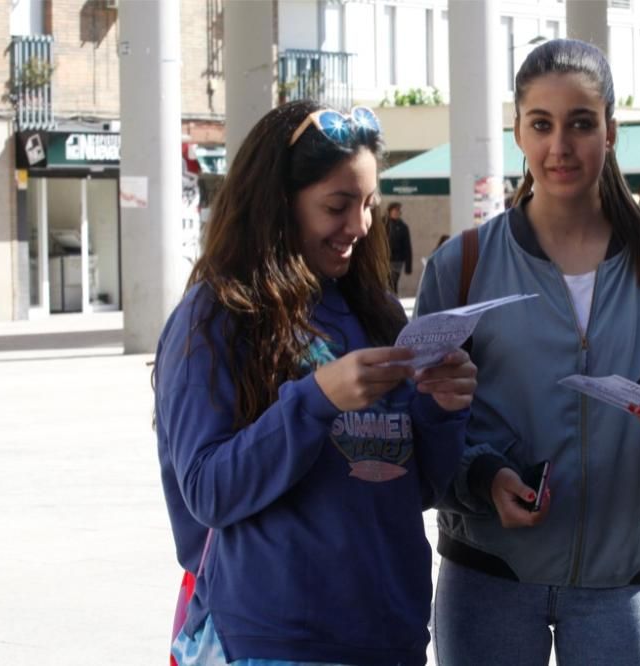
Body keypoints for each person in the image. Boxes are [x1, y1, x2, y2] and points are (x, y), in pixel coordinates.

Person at [416, 38, 640, 665]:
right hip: (490, 573)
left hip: (622, 579)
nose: (560, 147)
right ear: (518, 132)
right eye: (542, 124)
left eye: (581, 124)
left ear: (611, 131)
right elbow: (425, 426)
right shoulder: (462, 266)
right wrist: (483, 478)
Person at [154, 100, 477, 665]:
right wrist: (315, 401)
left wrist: (442, 411)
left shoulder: (374, 311)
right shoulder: (217, 316)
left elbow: (416, 488)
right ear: (279, 204)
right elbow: (206, 491)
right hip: (273, 640)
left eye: (369, 204)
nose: (359, 226)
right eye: (338, 205)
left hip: (390, 638)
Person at [385, 201, 413, 294]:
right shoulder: (383, 224)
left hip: (397, 260)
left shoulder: (403, 227)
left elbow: (407, 246)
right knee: (386, 282)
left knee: (393, 282)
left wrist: (408, 266)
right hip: (383, 259)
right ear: (390, 211)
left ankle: (392, 301)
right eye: (395, 210)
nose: (397, 212)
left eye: (399, 211)